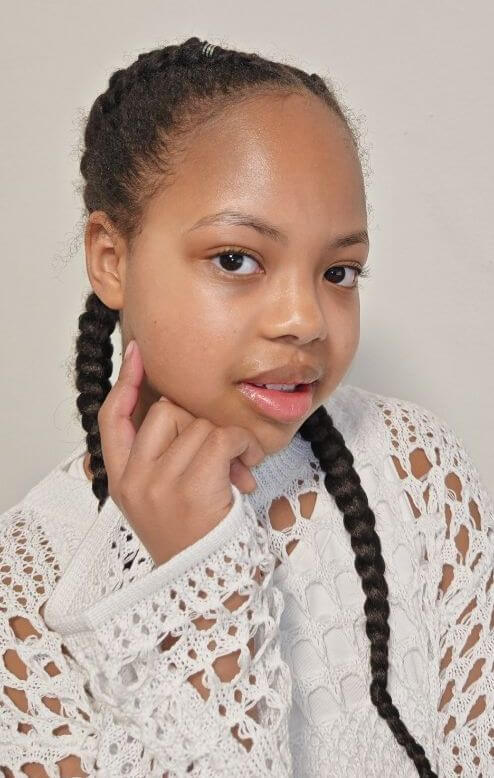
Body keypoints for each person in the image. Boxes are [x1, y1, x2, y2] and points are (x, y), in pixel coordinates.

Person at [0, 36, 492, 778]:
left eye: (339, 271)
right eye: (236, 259)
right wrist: (197, 584)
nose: (306, 319)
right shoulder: (29, 586)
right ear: (111, 258)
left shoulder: (415, 471)